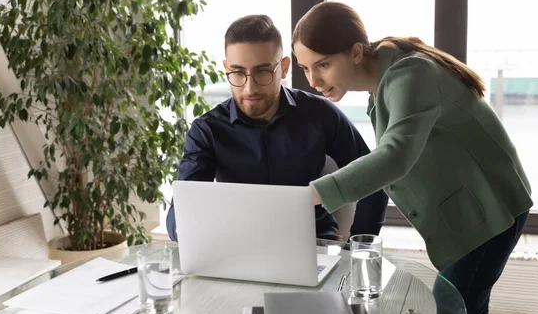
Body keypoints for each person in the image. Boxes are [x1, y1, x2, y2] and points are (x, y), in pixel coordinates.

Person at [292, 1, 532, 314]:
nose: (313, 81)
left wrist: (310, 196)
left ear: (356, 52)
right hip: (473, 212)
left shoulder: (410, 74)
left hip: (492, 210)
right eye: (305, 68)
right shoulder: (386, 80)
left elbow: (394, 156)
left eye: (323, 65)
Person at [166, 14, 388, 242]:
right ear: (226, 69)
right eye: (238, 73)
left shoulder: (320, 114)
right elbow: (181, 214)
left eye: (262, 71)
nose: (249, 88)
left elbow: (373, 180)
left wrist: (359, 247)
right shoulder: (207, 131)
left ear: (283, 68)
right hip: (238, 248)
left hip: (315, 245)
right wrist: (187, 228)